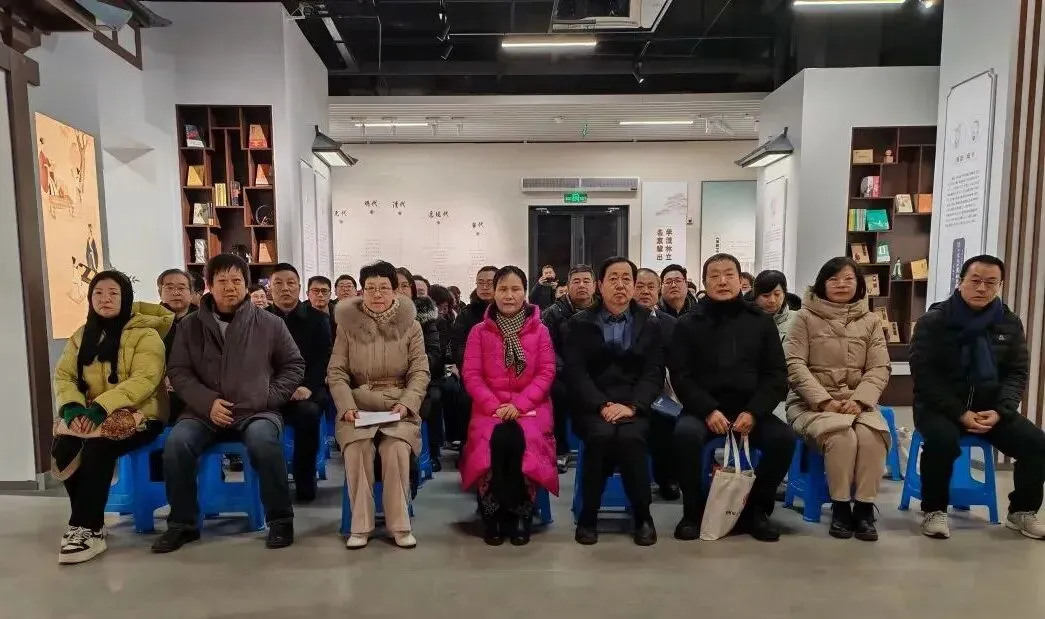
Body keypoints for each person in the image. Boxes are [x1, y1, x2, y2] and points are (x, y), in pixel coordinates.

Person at [153, 254, 304, 553]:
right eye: (221, 281)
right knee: (177, 443)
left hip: (256, 410)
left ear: (247, 285)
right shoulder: (190, 326)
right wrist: (208, 402)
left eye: (236, 280)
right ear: (209, 285)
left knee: (265, 441)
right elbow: (179, 371)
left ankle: (280, 520)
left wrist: (267, 397)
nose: (229, 287)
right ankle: (182, 524)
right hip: (203, 411)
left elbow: (293, 365)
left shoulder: (269, 323)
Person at [911, 254, 1045, 540]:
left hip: (990, 410)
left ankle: (1022, 512)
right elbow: (925, 376)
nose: (982, 288)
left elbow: (1017, 373)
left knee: (1036, 443)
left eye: (990, 282)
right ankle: (934, 510)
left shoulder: (1009, 323)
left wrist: (1001, 410)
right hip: (940, 409)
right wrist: (960, 412)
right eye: (975, 280)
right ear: (960, 281)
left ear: (1000, 285)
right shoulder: (933, 322)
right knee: (942, 441)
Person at [669, 253, 793, 542]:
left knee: (783, 439)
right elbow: (681, 376)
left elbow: (776, 374)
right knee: (684, 436)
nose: (722, 281)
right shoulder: (688, 323)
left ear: (740, 280)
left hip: (751, 410)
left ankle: (756, 511)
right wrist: (708, 410)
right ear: (704, 282)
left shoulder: (760, 321)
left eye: (729, 275)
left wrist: (754, 412)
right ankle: (693, 512)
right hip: (704, 411)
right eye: (714, 276)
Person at [51, 271, 172, 564]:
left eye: (113, 293)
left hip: (141, 414)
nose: (105, 299)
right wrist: (73, 407)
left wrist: (102, 407)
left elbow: (145, 380)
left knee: (98, 449)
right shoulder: (81, 335)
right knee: (64, 447)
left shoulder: (147, 334)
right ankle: (87, 523)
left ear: (125, 298)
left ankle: (86, 528)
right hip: (91, 413)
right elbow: (65, 376)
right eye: (98, 293)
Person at [784, 257, 891, 541]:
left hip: (858, 403)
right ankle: (841, 507)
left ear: (859, 285)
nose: (841, 284)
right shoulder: (804, 318)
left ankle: (864, 509)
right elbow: (794, 364)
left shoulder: (871, 321)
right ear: (822, 284)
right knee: (842, 436)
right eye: (833, 279)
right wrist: (824, 402)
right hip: (810, 404)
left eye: (848, 279)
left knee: (873, 436)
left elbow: (879, 367)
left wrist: (860, 400)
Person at [329, 261, 431, 550]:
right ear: (361, 291)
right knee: (357, 448)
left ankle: (400, 526)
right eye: (370, 288)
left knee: (395, 448)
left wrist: (407, 403)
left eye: (384, 288)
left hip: (397, 406)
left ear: (395, 291)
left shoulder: (411, 326)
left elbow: (420, 371)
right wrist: (346, 406)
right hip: (359, 406)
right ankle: (360, 526)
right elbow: (336, 372)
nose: (377, 294)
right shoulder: (347, 326)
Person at [564, 256, 664, 546]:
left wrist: (633, 406)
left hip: (634, 406)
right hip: (593, 407)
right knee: (601, 436)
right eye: (613, 279)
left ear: (634, 286)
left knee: (631, 438)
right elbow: (576, 373)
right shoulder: (578, 323)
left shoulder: (650, 323)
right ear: (600, 285)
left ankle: (643, 516)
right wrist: (602, 404)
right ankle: (588, 516)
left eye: (626, 279)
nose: (620, 285)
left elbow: (653, 373)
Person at [460, 266, 558, 546]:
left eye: (515, 289)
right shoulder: (479, 332)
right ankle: (492, 511)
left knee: (522, 440)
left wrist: (519, 404)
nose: (509, 295)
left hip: (531, 407)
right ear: (494, 293)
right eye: (503, 289)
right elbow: (472, 375)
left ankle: (520, 511)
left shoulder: (540, 331)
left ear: (525, 292)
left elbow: (546, 373)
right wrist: (495, 405)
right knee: (494, 439)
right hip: (489, 408)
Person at [268, 264, 333, 502]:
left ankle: (304, 478)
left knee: (308, 413)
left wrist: (308, 386)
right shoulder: (258, 318)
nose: (285, 288)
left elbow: (323, 358)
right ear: (269, 288)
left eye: (290, 283)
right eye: (278, 283)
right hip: (269, 391)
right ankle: (271, 482)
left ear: (299, 287)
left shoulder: (317, 319)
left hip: (306, 390)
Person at [541, 264, 597, 473]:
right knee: (556, 392)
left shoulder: (603, 310)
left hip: (594, 372)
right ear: (568, 285)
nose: (581, 285)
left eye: (586, 281)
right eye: (576, 281)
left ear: (595, 286)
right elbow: (546, 348)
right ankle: (560, 450)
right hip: (562, 372)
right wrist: (568, 370)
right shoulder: (552, 313)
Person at [634, 267, 680, 500]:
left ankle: (667, 478)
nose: (645, 291)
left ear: (659, 290)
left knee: (666, 419)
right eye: (640, 286)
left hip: (662, 392)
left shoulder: (670, 324)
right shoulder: (618, 321)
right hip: (628, 391)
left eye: (651, 287)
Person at [397, 267, 445, 470]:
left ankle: (429, 452)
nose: (400, 291)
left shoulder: (425, 318)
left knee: (431, 400)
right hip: (385, 381)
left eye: (404, 286)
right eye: (395, 286)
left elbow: (433, 353)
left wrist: (411, 370)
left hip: (421, 378)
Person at [157, 268, 198, 422]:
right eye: (169, 288)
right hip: (157, 390)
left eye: (181, 288)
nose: (176, 292)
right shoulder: (149, 323)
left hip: (195, 391)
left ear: (191, 293)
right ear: (160, 292)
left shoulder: (205, 322)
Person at [752, 270, 794, 341]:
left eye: (777, 294)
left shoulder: (798, 320)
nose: (772, 300)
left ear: (784, 294)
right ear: (755, 296)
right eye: (766, 295)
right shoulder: (745, 320)